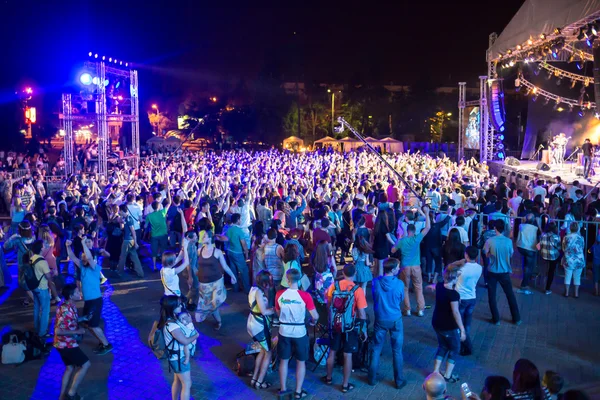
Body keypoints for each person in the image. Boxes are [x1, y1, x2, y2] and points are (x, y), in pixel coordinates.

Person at [323, 264, 368, 393]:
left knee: (332, 351)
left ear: (343, 273)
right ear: (354, 274)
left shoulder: (334, 286)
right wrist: (363, 329)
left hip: (335, 324)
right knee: (347, 355)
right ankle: (345, 384)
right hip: (350, 326)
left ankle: (329, 378)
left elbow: (329, 304)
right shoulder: (357, 290)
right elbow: (361, 312)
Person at [276, 268, 319, 399]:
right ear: (299, 280)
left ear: (287, 280)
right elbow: (315, 315)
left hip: (284, 331)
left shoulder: (279, 294)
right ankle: (298, 391)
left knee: (283, 361)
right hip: (300, 332)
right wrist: (312, 321)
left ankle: (283, 389)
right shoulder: (305, 296)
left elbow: (278, 313)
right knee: (301, 362)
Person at [65, 238, 113, 355]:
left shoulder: (95, 268)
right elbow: (72, 257)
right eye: (82, 256)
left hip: (95, 301)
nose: (83, 258)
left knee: (94, 325)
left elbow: (90, 257)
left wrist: (82, 244)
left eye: (85, 256)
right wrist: (67, 246)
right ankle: (102, 342)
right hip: (88, 301)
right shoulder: (82, 267)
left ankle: (106, 345)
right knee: (88, 324)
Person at [368, 258, 407, 389]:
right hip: (395, 319)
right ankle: (399, 381)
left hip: (380, 319)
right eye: (398, 267)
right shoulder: (400, 284)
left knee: (376, 348)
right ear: (393, 269)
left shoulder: (375, 282)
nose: (399, 269)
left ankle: (371, 378)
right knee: (397, 351)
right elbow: (401, 299)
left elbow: (374, 297)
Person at [428, 268, 466, 383]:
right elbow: (455, 312)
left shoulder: (439, 286)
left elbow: (435, 285)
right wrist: (462, 329)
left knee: (443, 346)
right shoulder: (453, 295)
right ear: (454, 279)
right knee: (455, 348)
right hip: (448, 326)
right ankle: (447, 375)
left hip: (436, 322)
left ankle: (435, 372)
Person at [392, 205, 431, 317]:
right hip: (416, 266)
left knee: (405, 288)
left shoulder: (402, 241)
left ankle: (407, 309)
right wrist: (427, 214)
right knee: (418, 287)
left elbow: (393, 250)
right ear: (414, 231)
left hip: (404, 266)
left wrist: (398, 239)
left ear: (407, 231)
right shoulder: (417, 238)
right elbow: (427, 228)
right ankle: (420, 309)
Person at [54, 284, 91, 400]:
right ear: (70, 295)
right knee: (85, 364)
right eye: (76, 292)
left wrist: (83, 319)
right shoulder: (65, 309)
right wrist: (78, 330)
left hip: (63, 344)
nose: (79, 293)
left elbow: (70, 321)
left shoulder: (70, 305)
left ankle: (61, 397)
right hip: (66, 344)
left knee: (70, 368)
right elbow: (58, 331)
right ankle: (71, 394)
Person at [158, 295, 199, 400]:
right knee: (187, 384)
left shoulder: (168, 320)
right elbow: (184, 340)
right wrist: (196, 335)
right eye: (178, 305)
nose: (181, 306)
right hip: (179, 359)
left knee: (178, 381)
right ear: (172, 308)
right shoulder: (173, 326)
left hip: (175, 357)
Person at [195, 230, 238, 329]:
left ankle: (219, 322)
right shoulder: (199, 251)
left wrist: (233, 276)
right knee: (203, 309)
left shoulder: (217, 252)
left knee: (214, 304)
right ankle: (217, 320)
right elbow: (194, 263)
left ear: (210, 238)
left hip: (216, 283)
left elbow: (225, 266)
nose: (202, 237)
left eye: (204, 236)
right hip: (203, 284)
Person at [445, 246, 482, 356]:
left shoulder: (462, 269)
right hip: (472, 297)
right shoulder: (480, 268)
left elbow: (448, 268)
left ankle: (464, 344)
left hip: (460, 298)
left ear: (466, 255)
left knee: (458, 323)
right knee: (467, 323)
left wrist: (459, 262)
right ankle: (464, 339)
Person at [484, 219, 521, 326]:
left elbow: (486, 255)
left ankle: (496, 319)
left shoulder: (489, 241)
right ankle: (516, 318)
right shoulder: (509, 241)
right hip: (504, 271)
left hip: (492, 271)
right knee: (510, 295)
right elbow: (511, 254)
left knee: (492, 295)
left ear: (495, 228)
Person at [247, 270, 275, 390]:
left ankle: (254, 379)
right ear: (265, 283)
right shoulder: (259, 292)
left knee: (262, 351)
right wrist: (274, 309)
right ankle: (259, 382)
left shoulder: (253, 289)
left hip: (252, 323)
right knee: (268, 352)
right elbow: (264, 311)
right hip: (260, 326)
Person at [116, 204, 144, 277]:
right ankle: (140, 273)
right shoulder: (126, 218)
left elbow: (133, 231)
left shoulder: (128, 219)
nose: (119, 212)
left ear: (122, 211)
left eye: (120, 211)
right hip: (130, 240)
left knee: (123, 257)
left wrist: (136, 242)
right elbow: (122, 228)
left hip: (127, 240)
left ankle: (120, 272)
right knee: (134, 257)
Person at [225, 213, 251, 293]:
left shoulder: (229, 229)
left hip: (230, 252)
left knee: (233, 270)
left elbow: (227, 239)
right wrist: (246, 254)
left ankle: (235, 288)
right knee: (244, 271)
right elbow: (244, 244)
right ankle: (247, 289)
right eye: (240, 219)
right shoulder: (239, 230)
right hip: (238, 253)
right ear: (238, 220)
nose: (241, 220)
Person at [516, 213, 539, 295]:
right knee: (528, 266)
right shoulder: (535, 228)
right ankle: (524, 284)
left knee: (525, 264)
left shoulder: (521, 226)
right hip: (530, 249)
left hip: (521, 247)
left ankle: (526, 278)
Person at [562, 221, 585, 298]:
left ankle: (567, 293)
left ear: (570, 228)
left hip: (568, 259)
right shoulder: (581, 238)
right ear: (578, 228)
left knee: (567, 276)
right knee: (577, 277)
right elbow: (582, 247)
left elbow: (563, 248)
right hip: (579, 259)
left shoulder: (566, 237)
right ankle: (576, 294)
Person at [539, 223, 561, 295]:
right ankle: (547, 289)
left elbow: (539, 246)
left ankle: (542, 284)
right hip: (553, 257)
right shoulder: (557, 237)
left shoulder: (542, 235)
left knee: (544, 271)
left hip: (544, 255)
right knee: (551, 272)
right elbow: (559, 248)